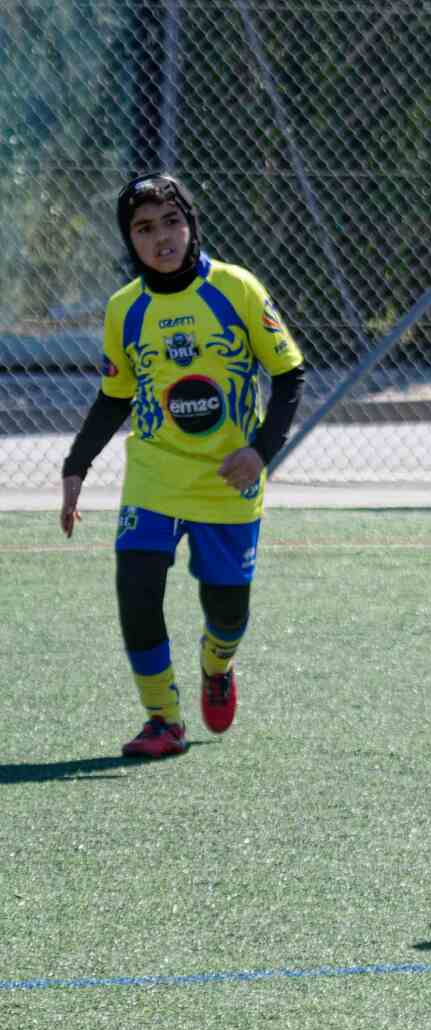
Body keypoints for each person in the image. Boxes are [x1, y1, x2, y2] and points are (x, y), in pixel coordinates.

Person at [60, 172, 306, 758]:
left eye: (172, 222)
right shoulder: (125, 309)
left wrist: (260, 451)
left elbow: (289, 374)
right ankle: (162, 720)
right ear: (130, 240)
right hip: (155, 476)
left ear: (191, 224)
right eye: (144, 229)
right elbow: (115, 396)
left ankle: (217, 666)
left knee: (227, 612)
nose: (161, 238)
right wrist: (76, 466)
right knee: (136, 591)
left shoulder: (236, 289)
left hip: (228, 480)